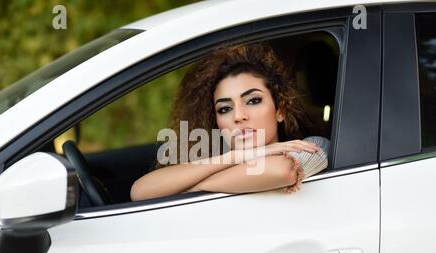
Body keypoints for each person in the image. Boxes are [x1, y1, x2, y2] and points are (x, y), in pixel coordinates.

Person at [130, 43, 329, 201]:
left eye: (253, 101)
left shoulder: (313, 145)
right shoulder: (219, 160)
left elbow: (282, 171)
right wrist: (238, 156)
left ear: (280, 111)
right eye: (225, 109)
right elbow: (140, 191)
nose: (238, 116)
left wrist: (193, 188)